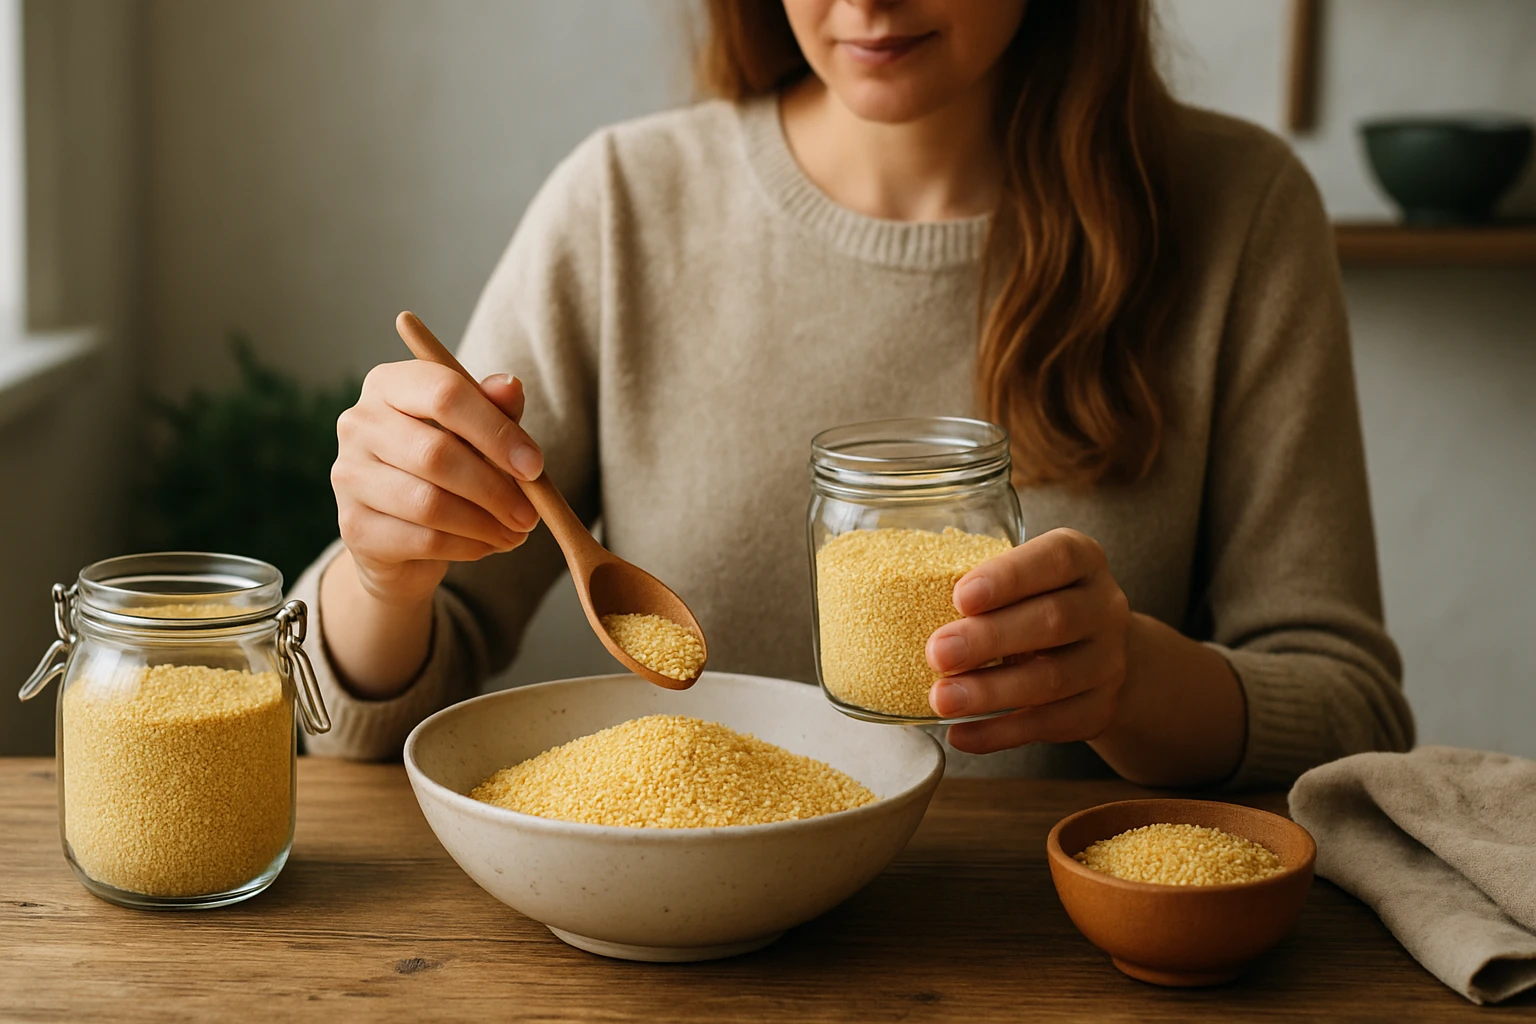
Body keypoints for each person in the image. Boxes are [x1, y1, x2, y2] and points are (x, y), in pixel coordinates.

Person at [290, 0, 1413, 787]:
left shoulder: (1239, 211)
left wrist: (1125, 681)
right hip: (686, 949)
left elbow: (1350, 716)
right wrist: (387, 573)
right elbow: (332, 716)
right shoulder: (625, 204)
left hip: (1050, 957)